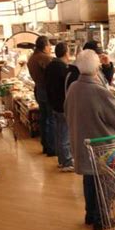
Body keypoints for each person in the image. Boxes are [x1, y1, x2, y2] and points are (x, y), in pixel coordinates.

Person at [65, 49, 115, 230]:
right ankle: (103, 219)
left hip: (83, 143)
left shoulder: (74, 87)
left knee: (89, 180)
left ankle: (90, 215)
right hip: (103, 147)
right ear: (96, 67)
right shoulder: (99, 91)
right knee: (105, 184)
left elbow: (67, 110)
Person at [44, 42, 74, 172]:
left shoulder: (50, 65)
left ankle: (62, 160)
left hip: (54, 104)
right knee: (65, 135)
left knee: (59, 133)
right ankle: (67, 162)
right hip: (63, 105)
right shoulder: (63, 68)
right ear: (66, 53)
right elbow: (66, 88)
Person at [28, 36, 56, 156]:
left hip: (38, 90)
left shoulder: (32, 58)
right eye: (49, 45)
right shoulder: (45, 58)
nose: (50, 48)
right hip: (47, 91)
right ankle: (51, 148)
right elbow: (51, 75)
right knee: (50, 119)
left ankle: (45, 145)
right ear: (45, 46)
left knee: (44, 118)